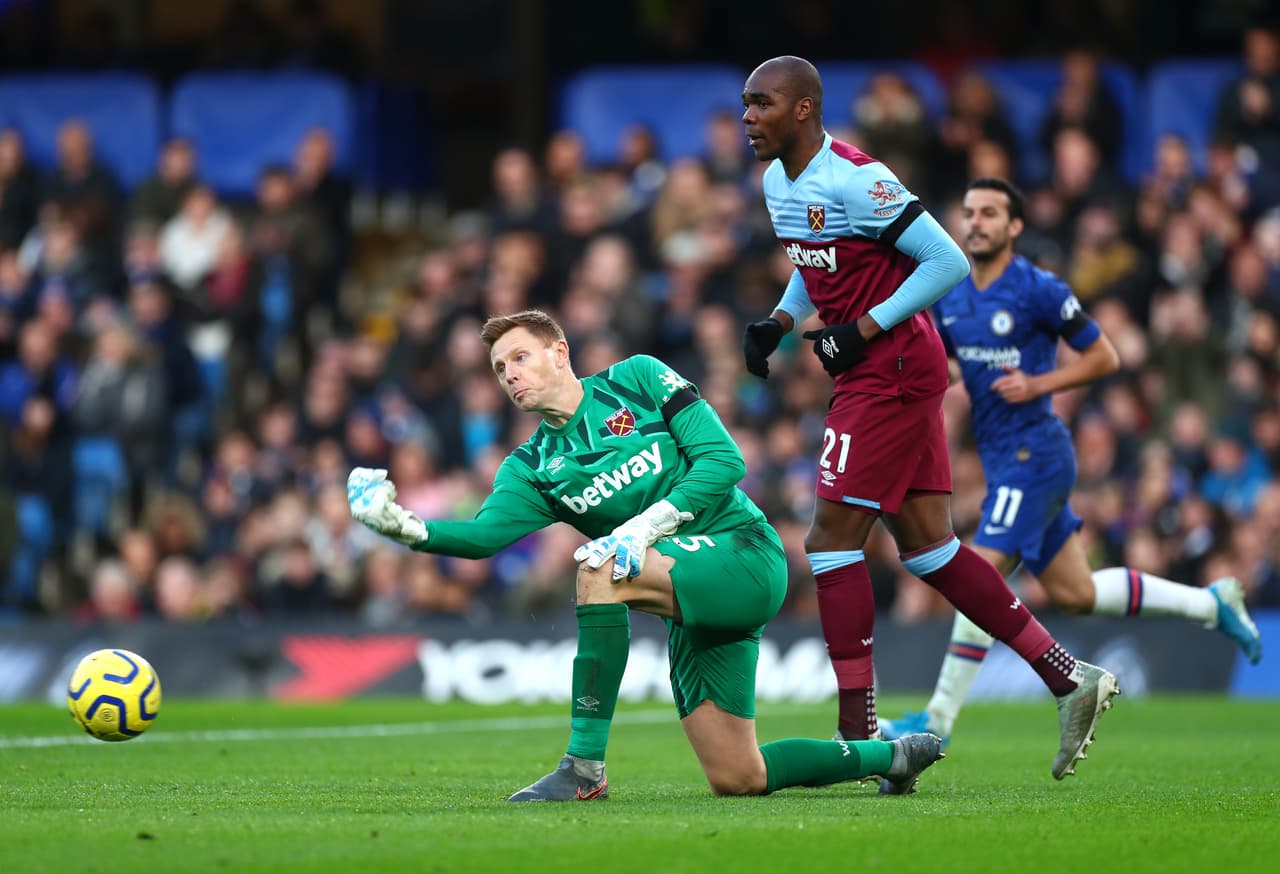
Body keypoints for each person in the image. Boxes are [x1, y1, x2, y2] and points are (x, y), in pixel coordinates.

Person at [348, 309, 945, 801]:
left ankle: (583, 770)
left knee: (598, 567)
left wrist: (641, 529)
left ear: (560, 351)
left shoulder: (637, 378)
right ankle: (893, 756)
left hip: (744, 552)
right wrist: (406, 528)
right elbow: (483, 539)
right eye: (500, 368)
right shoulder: (530, 468)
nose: (509, 375)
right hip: (687, 596)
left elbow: (725, 461)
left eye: (520, 357)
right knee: (739, 777)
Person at [739, 56, 1118, 780]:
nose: (749, 117)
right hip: (877, 365)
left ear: (804, 110)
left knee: (829, 544)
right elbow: (816, 260)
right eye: (746, 104)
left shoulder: (858, 177)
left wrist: (866, 328)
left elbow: (943, 260)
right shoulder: (775, 182)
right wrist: (782, 319)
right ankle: (1070, 678)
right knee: (930, 548)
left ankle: (863, 737)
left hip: (893, 367)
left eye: (762, 104)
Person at [879, 178, 1263, 744]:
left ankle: (935, 721)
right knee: (1075, 594)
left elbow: (1103, 355)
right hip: (1002, 456)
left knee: (977, 576)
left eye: (990, 213)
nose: (976, 222)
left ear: (1014, 228)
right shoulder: (953, 296)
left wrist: (1039, 383)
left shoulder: (1038, 289)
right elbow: (958, 368)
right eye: (969, 213)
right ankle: (1211, 603)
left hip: (1038, 454)